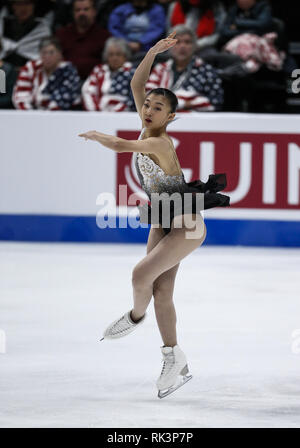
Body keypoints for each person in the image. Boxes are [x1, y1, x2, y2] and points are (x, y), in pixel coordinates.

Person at [78, 32, 230, 398]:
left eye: (158, 108)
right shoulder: (147, 125)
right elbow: (136, 82)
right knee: (161, 290)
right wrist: (151, 52)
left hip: (187, 225)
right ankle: (174, 359)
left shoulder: (159, 141)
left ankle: (135, 316)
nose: (148, 109)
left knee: (140, 274)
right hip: (164, 216)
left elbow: (119, 145)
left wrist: (99, 135)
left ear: (171, 116)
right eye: (147, 104)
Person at [146, 25, 224, 111]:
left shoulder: (206, 71)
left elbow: (214, 102)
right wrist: (187, 102)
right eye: (177, 42)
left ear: (194, 46)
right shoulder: (160, 69)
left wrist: (181, 104)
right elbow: (148, 95)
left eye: (187, 42)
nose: (182, 46)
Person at [13, 36, 81, 109]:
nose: (47, 56)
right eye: (44, 53)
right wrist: (30, 115)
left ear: (60, 54)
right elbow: (20, 96)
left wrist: (45, 116)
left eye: (51, 53)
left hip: (62, 115)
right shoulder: (30, 68)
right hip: (32, 114)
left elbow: (62, 100)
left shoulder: (68, 71)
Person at [55, 0, 110, 80]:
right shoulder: (61, 34)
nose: (81, 13)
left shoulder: (104, 36)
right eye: (78, 10)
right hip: (65, 82)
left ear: (94, 12)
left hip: (94, 83)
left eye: (86, 9)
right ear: (73, 13)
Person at [82, 37, 135, 111]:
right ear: (106, 56)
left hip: (123, 115)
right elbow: (88, 91)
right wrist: (95, 111)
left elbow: (134, 98)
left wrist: (114, 113)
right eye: (111, 54)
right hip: (97, 114)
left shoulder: (133, 72)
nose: (114, 58)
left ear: (125, 56)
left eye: (118, 54)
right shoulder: (98, 70)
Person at [0, 0, 51, 69]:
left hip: (31, 72)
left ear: (33, 6)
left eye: (27, 3)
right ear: (13, 6)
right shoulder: (3, 25)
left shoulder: (42, 28)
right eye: (19, 4)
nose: (23, 8)